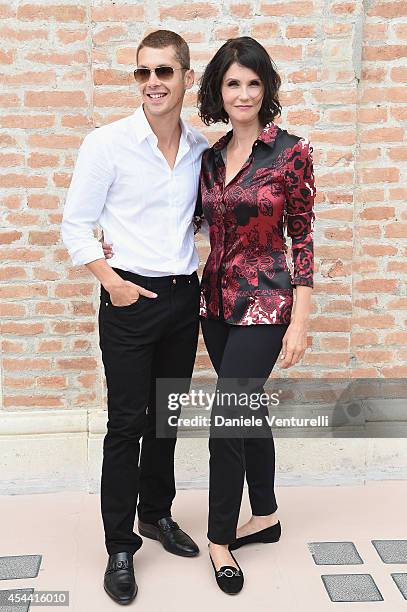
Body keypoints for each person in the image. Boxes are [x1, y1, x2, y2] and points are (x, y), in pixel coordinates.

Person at [61, 30, 208, 605]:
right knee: (126, 423)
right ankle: (119, 544)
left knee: (165, 420)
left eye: (165, 72)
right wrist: (115, 285)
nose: (153, 83)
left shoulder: (200, 150)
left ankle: (157, 516)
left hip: (181, 297)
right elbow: (76, 225)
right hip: (130, 300)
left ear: (186, 79)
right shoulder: (107, 144)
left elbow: (199, 221)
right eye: (143, 72)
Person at [194, 36, 317, 594]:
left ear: (265, 88)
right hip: (215, 306)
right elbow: (189, 223)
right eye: (231, 83)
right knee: (246, 414)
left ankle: (221, 538)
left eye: (252, 82)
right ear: (218, 90)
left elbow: (302, 237)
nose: (242, 92)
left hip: (267, 305)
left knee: (227, 419)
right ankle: (265, 515)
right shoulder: (211, 157)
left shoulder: (291, 153)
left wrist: (301, 318)